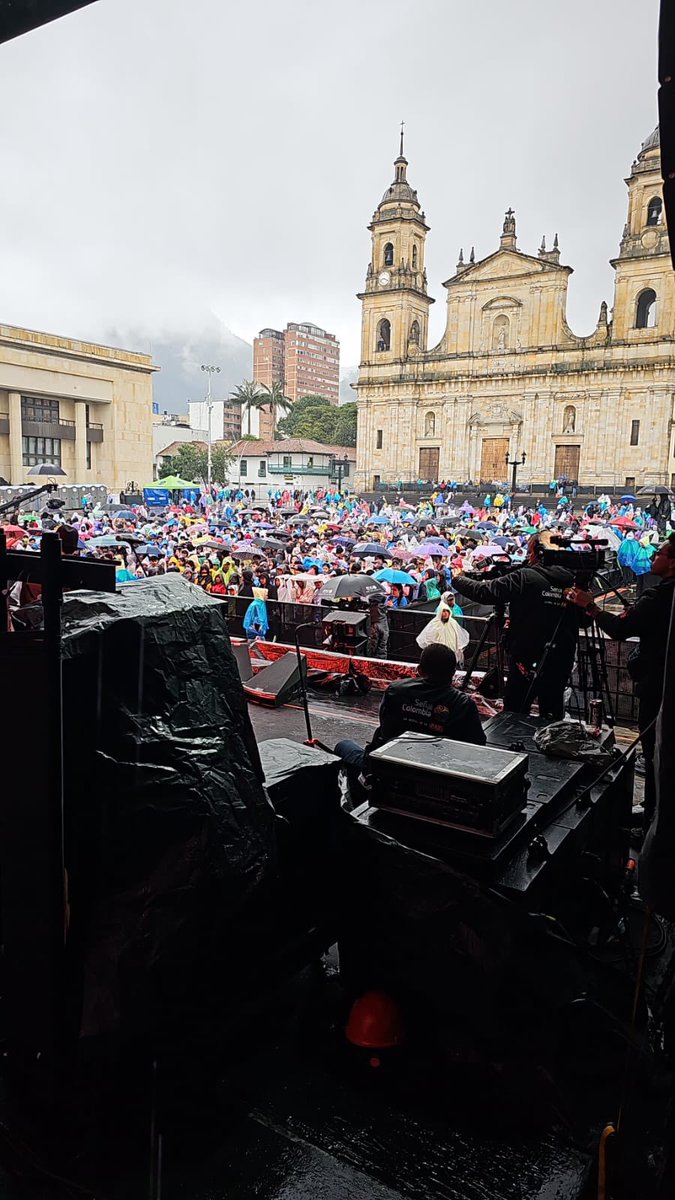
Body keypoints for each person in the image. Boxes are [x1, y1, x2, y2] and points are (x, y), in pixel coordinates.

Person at [567, 533, 675, 828]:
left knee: (653, 753)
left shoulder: (659, 596)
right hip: (661, 682)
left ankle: (653, 819)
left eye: (659, 554)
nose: (653, 557)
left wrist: (590, 607)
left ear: (672, 562)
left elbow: (618, 629)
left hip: (656, 686)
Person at [452, 531, 578, 720]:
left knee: (514, 713)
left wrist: (458, 579)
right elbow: (584, 619)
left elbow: (485, 592)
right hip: (560, 659)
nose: (528, 557)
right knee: (552, 714)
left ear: (538, 551)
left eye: (530, 552)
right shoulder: (573, 580)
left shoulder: (525, 577)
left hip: (525, 659)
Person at [335, 644, 486, 776]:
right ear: (453, 673)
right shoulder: (464, 704)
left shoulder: (395, 690)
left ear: (419, 670)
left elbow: (386, 730)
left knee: (343, 746)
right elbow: (478, 746)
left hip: (386, 767)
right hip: (439, 774)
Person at [366, 595, 389, 659]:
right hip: (382, 653)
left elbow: (373, 642)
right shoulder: (382, 613)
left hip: (376, 656)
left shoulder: (375, 615)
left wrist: (369, 654)